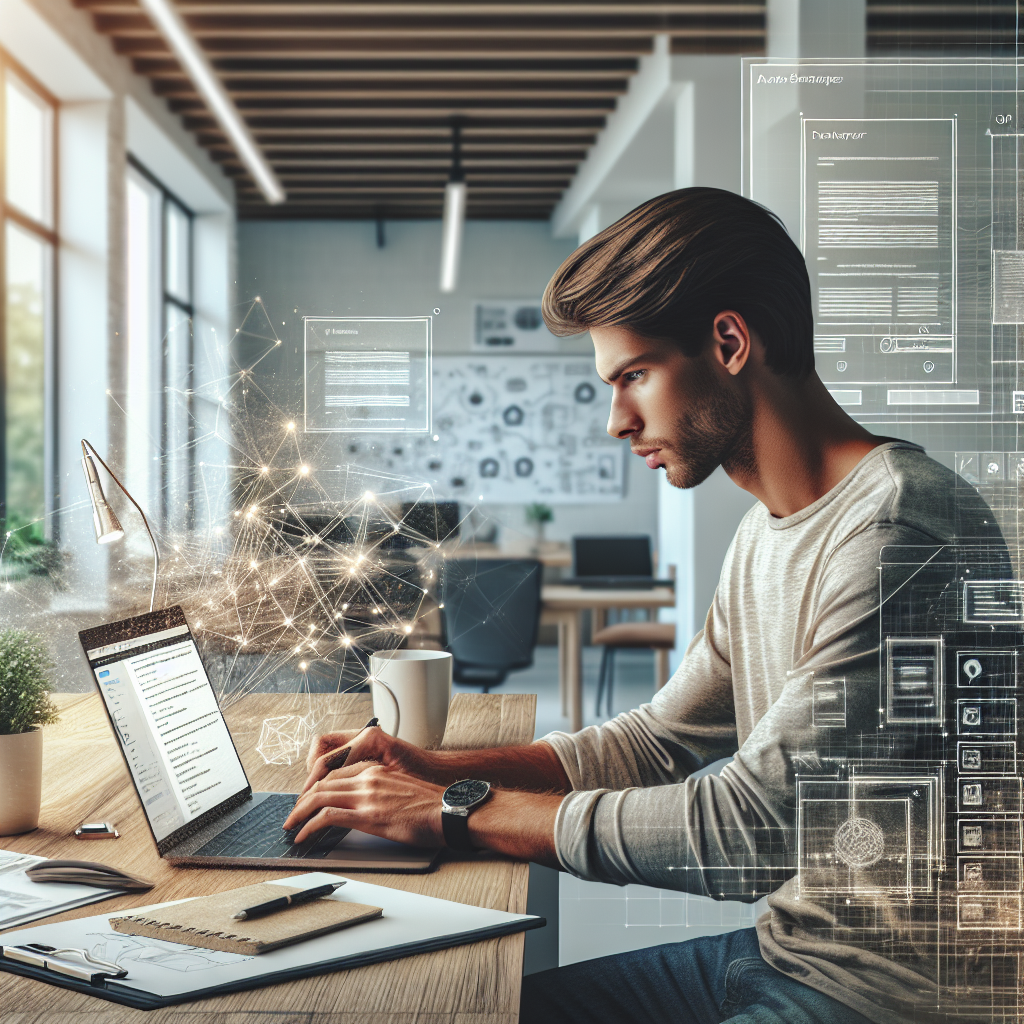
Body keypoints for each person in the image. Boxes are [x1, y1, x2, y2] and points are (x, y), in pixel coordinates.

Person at [284, 188, 1004, 1024]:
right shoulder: (767, 533)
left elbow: (750, 833)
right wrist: (432, 768)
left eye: (634, 376)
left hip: (898, 998)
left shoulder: (901, 536)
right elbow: (656, 742)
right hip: (789, 953)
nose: (617, 422)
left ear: (729, 342)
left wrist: (455, 814)